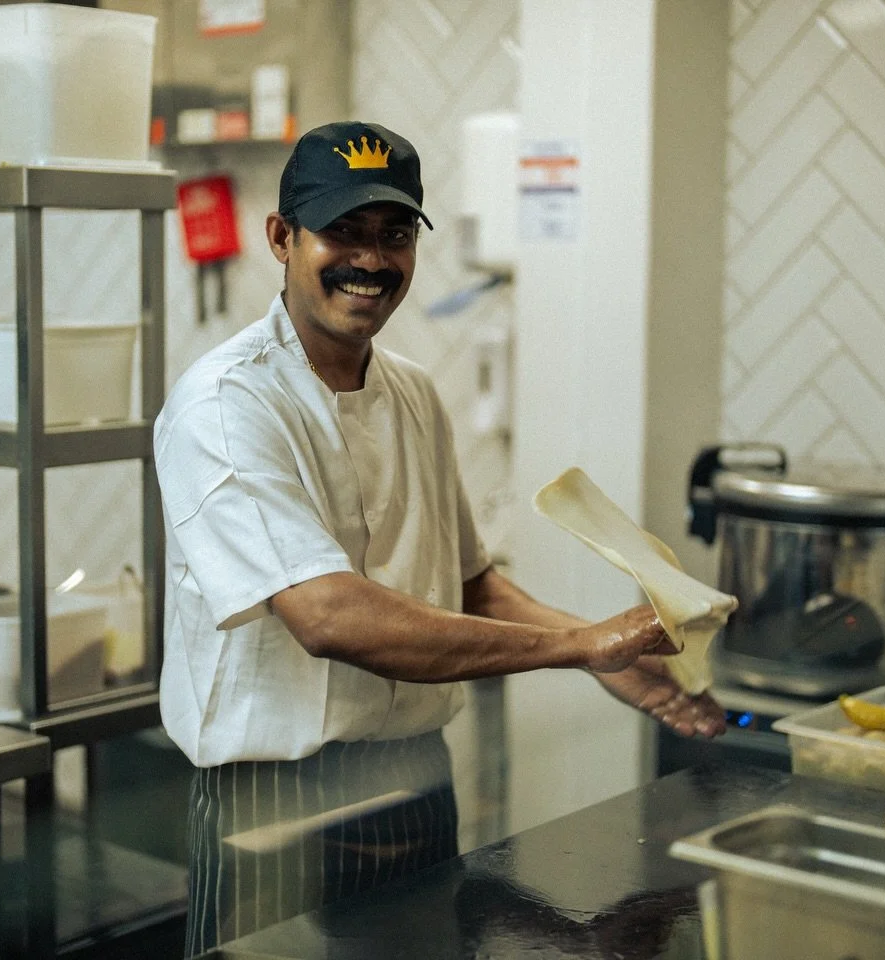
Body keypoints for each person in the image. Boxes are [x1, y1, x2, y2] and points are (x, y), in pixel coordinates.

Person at [153, 120, 724, 954]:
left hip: (417, 784)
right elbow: (329, 615)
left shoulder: (413, 392)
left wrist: (610, 661)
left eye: (393, 235)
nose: (372, 259)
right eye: (343, 231)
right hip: (272, 801)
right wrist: (577, 647)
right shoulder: (225, 406)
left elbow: (467, 581)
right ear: (281, 238)